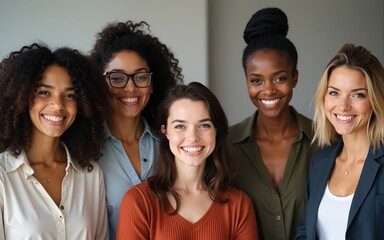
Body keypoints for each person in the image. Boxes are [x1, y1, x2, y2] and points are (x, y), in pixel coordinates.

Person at [116, 82, 258, 239]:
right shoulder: (138, 202)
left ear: (216, 131)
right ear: (165, 131)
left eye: (204, 125)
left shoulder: (239, 205)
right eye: (180, 126)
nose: (193, 137)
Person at [0, 43, 109, 239]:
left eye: (69, 95)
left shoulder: (91, 175)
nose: (58, 105)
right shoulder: (3, 177)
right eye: (44, 92)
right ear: (22, 96)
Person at [227, 7, 318, 240]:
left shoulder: (324, 140)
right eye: (256, 80)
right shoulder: (224, 145)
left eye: (280, 78)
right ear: (246, 81)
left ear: (294, 77)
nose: (268, 90)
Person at [89, 20, 183, 239]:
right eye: (117, 78)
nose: (130, 88)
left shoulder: (172, 142)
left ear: (152, 84)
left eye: (141, 77)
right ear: (101, 83)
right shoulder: (87, 150)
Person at [295, 43, 384, 239]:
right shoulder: (321, 160)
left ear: (376, 100)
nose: (343, 106)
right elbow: (305, 231)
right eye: (334, 92)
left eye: (357, 95)